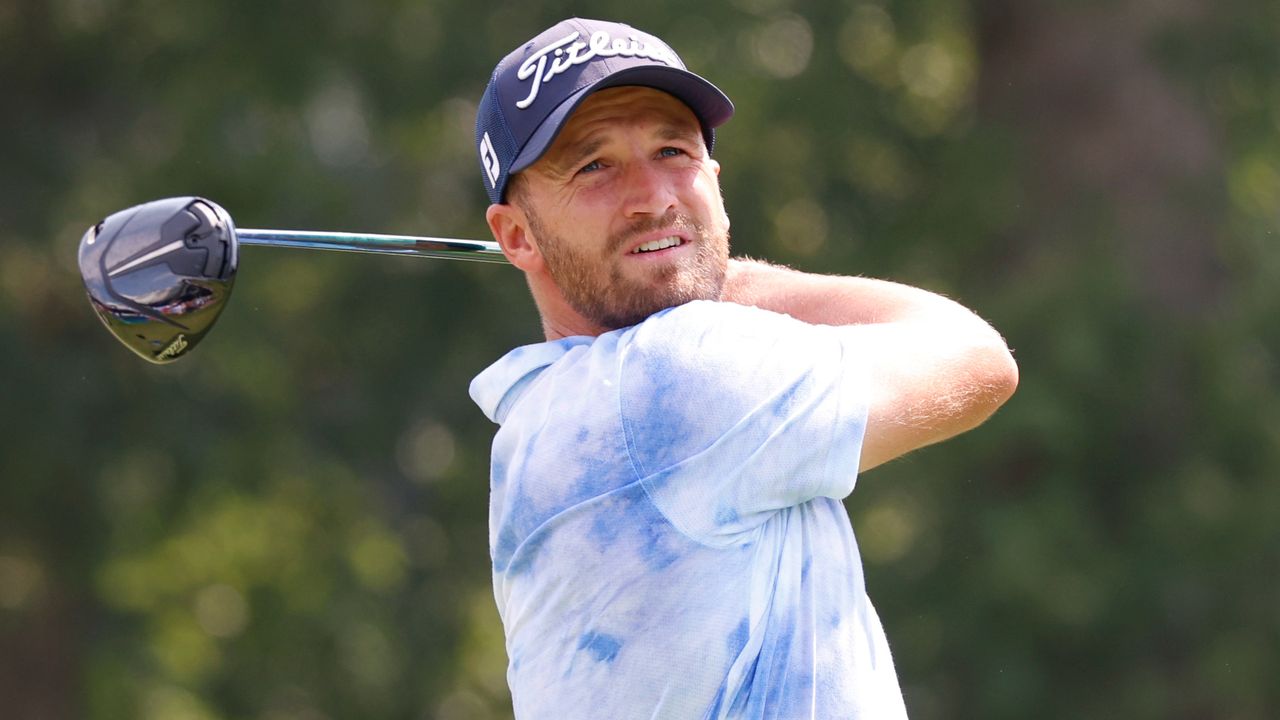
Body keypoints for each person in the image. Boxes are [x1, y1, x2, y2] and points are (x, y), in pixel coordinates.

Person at [469, 17, 1018, 719]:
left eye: (673, 150)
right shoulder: (674, 380)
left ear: (715, 182)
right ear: (516, 235)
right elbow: (973, 356)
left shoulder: (539, 423)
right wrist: (725, 274)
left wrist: (685, 262)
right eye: (594, 166)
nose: (655, 196)